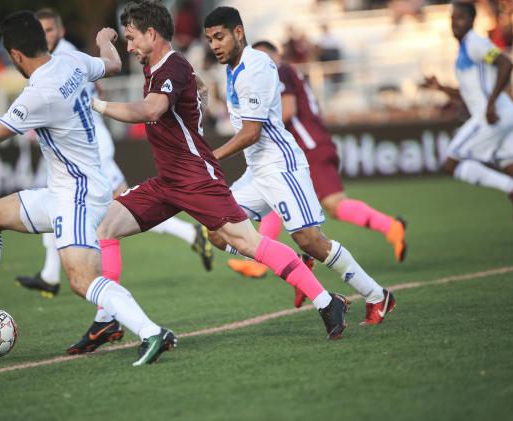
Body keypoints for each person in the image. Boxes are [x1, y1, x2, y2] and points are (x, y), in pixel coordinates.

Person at [0, 11, 174, 366]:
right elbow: (112, 65)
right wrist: (104, 42)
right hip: (66, 189)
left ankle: (152, 332)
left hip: (77, 195)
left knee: (82, 279)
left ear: (16, 56)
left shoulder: (39, 94)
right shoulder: (71, 59)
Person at [92, 0, 350, 341]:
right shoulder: (161, 66)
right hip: (169, 180)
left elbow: (152, 109)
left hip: (196, 177)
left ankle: (327, 301)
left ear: (151, 34)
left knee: (247, 242)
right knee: (106, 227)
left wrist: (96, 104)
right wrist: (103, 44)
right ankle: (106, 319)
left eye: (131, 38)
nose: (128, 46)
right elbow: (190, 83)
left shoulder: (170, 67)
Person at [11, 8, 211, 355]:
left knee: (110, 213)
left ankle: (186, 237)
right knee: (102, 219)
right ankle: (62, 284)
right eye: (40, 29)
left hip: (92, 152)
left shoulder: (64, 56)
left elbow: (107, 80)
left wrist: (103, 55)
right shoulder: (51, 60)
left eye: (48, 28)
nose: (45, 34)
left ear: (57, 30)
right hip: (74, 152)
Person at [204, 6, 395, 325]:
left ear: (239, 32)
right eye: (210, 39)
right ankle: (292, 261)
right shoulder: (233, 67)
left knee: (311, 240)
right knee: (217, 231)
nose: (214, 45)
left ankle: (378, 296)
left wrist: (211, 157)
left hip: (281, 166)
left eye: (219, 37)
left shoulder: (255, 67)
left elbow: (252, 132)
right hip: (257, 171)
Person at [226, 40, 406, 304]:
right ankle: (275, 259)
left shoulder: (280, 70)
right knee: (281, 205)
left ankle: (390, 229)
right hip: (303, 145)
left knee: (331, 208)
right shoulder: (279, 70)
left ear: (276, 55)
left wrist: (254, 117)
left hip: (306, 146)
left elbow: (288, 110)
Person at [423, 2, 513, 220]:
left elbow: (506, 64)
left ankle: (511, 187)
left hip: (493, 116)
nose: (455, 23)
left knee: (451, 163)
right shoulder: (464, 50)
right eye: (452, 19)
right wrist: (440, 87)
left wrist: (491, 104)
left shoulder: (475, 42)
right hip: (505, 115)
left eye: (460, 18)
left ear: (472, 20)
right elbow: (466, 95)